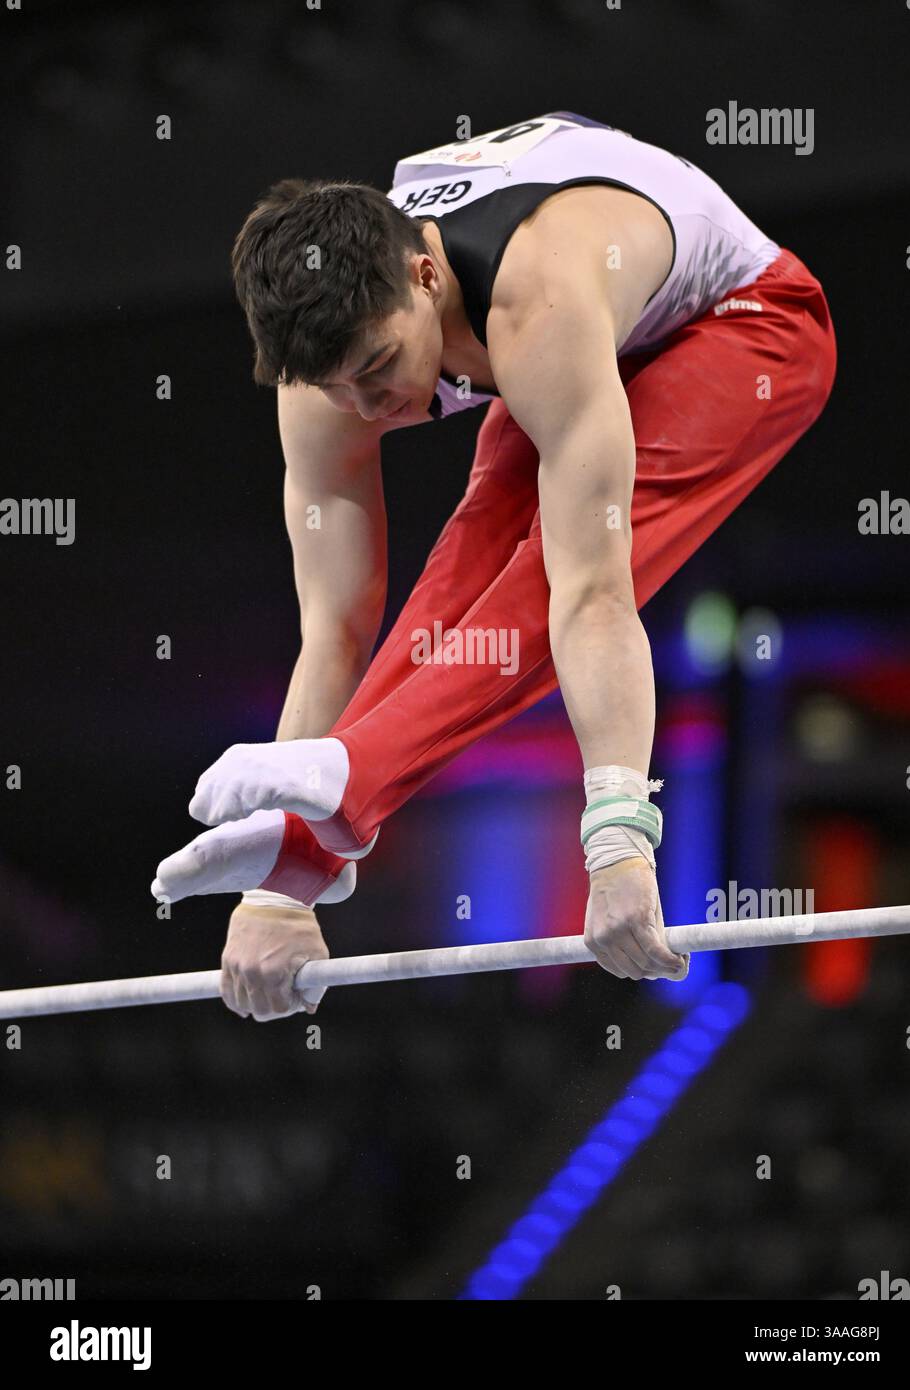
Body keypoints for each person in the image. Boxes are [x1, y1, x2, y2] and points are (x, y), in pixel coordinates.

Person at [151, 113, 836, 1020]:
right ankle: (315, 838)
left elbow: (592, 595)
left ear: (425, 275)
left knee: (547, 571)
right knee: (463, 564)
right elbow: (338, 629)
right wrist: (279, 897)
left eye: (381, 366)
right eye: (339, 390)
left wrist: (618, 838)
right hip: (590, 340)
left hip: (746, 327)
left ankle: (351, 790)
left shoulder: (534, 298)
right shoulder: (318, 384)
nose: (370, 406)